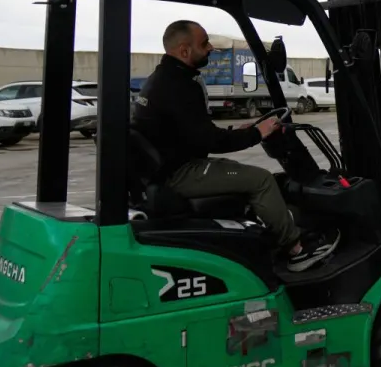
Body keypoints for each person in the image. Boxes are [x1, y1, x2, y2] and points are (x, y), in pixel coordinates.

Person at [134, 20, 337, 272]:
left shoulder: (162, 79)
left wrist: (238, 131)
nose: (210, 48)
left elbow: (193, 133)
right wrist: (256, 133)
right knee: (261, 180)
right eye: (204, 43)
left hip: (169, 166)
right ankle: (296, 251)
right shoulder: (179, 86)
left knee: (239, 172)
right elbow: (211, 142)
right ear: (184, 50)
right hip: (180, 173)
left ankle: (268, 234)